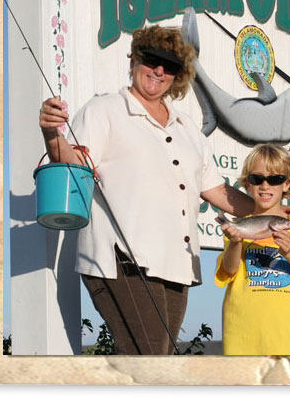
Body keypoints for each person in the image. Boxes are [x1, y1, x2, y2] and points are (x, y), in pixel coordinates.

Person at [38, 24, 259, 355]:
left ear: (177, 76)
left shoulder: (189, 130)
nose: (159, 70)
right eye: (151, 59)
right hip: (122, 261)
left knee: (159, 364)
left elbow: (218, 191)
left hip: (178, 266)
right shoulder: (104, 110)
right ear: (133, 60)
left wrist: (268, 212)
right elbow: (75, 168)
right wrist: (52, 132)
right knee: (151, 364)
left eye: (169, 66)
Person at [215, 144, 290, 355]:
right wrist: (236, 242)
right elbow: (229, 270)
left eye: (274, 179)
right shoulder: (239, 226)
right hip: (243, 340)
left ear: (286, 184)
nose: (265, 185)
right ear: (248, 184)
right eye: (257, 179)